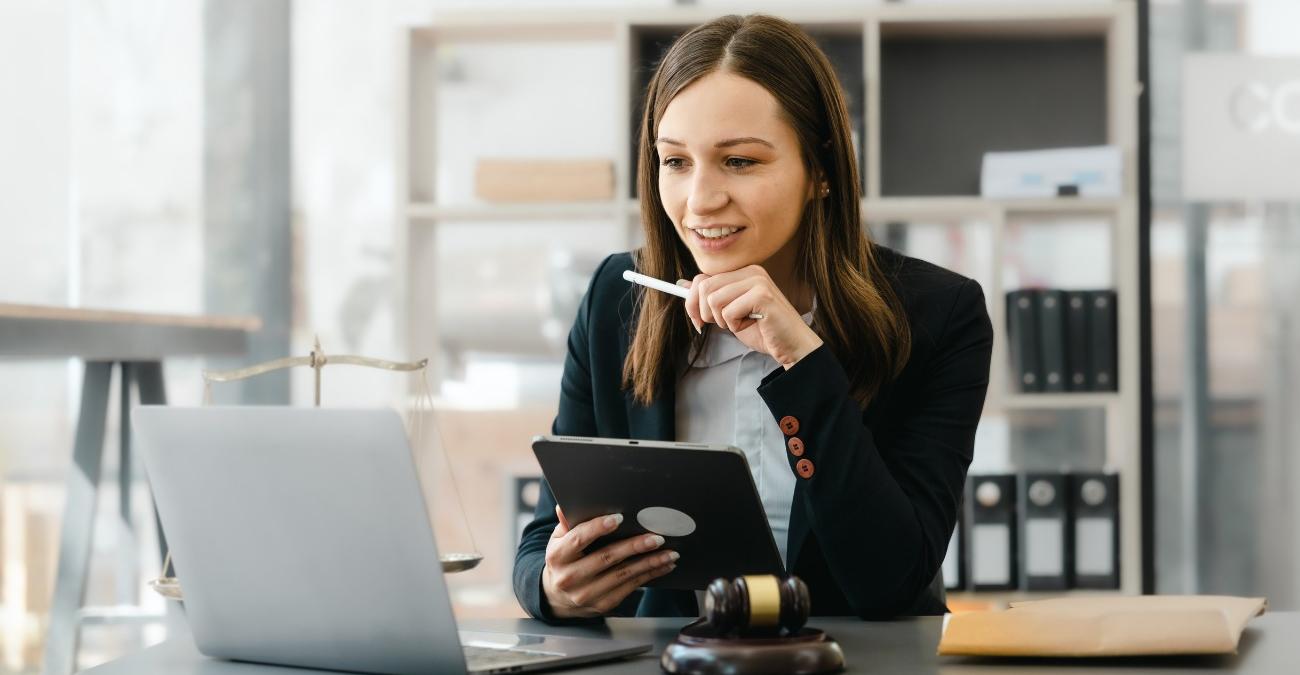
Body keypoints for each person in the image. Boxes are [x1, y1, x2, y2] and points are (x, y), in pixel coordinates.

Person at [513, 13, 993, 622]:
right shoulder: (617, 297)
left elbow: (890, 582)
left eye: (739, 161)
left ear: (821, 170)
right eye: (675, 161)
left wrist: (803, 360)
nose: (700, 200)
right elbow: (542, 539)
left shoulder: (940, 315)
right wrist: (554, 587)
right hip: (672, 655)